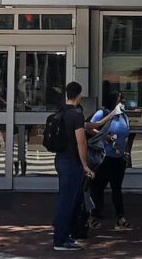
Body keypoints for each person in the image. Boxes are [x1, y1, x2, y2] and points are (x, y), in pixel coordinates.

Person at [50, 81, 92, 252]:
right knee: (67, 202)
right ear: (79, 95)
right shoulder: (76, 115)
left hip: (60, 159)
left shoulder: (60, 112)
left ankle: (63, 235)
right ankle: (60, 240)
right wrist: (85, 165)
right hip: (72, 162)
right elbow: (81, 142)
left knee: (65, 199)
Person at [87, 90, 131, 230]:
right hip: (104, 157)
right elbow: (89, 127)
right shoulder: (103, 113)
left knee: (116, 188)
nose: (121, 101)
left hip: (119, 157)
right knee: (97, 187)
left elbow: (126, 134)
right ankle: (92, 216)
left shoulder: (124, 116)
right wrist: (104, 136)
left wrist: (126, 152)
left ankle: (120, 217)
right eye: (119, 99)